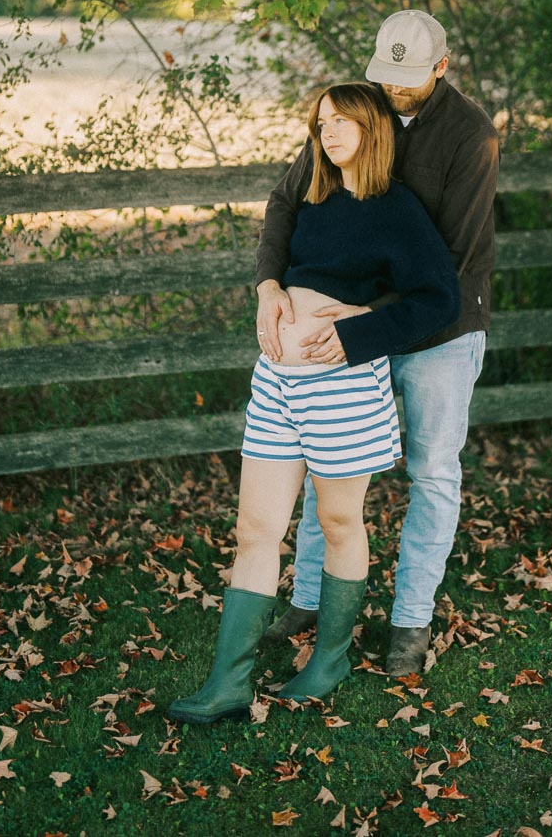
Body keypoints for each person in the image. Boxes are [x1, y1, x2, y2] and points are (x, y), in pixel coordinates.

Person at [166, 82, 459, 725]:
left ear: (373, 129)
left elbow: (438, 299)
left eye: (342, 121)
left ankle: (329, 660)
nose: (327, 132)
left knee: (338, 523)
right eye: (321, 122)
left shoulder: (396, 209)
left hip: (342, 386)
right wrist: (271, 288)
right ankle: (228, 684)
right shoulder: (312, 196)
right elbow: (278, 248)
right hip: (276, 380)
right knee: (255, 529)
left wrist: (357, 332)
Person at [256, 10, 499, 675]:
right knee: (324, 460)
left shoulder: (471, 137)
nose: (394, 93)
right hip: (349, 332)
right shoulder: (359, 113)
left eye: (409, 81)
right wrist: (270, 286)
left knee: (432, 472)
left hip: (438, 335)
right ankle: (311, 597)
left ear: (442, 69)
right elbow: (287, 201)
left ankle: (409, 622)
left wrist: (359, 322)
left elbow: (445, 270)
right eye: (384, 79)